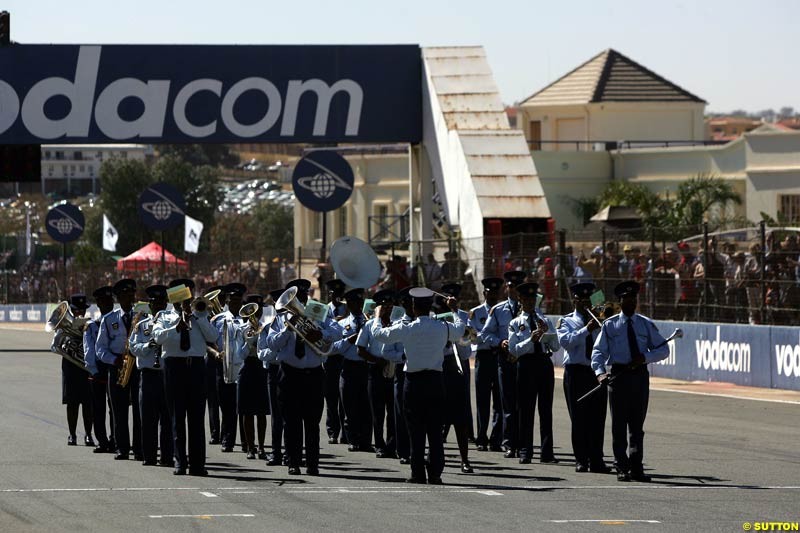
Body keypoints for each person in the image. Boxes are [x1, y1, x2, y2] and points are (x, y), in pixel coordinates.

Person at [370, 287, 464, 485]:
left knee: (416, 431)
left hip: (413, 383)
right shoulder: (442, 327)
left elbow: (379, 335)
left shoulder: (408, 328)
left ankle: (418, 473)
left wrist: (378, 316)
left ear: (413, 306)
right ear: (430, 305)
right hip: (435, 382)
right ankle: (436, 473)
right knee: (435, 432)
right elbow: (460, 330)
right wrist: (455, 310)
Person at [591, 281, 670, 482]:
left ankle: (636, 467)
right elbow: (598, 352)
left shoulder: (645, 324)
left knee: (636, 426)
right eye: (627, 298)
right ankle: (621, 467)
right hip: (618, 377)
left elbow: (663, 349)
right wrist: (600, 373)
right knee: (619, 426)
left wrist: (644, 357)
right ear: (620, 301)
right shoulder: (610, 325)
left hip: (639, 377)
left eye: (634, 298)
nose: (631, 301)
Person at [266, 278, 339, 475]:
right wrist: (287, 330)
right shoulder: (280, 318)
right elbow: (271, 343)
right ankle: (293, 462)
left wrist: (319, 333)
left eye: (303, 295)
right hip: (290, 375)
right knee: (291, 421)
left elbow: (337, 331)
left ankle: (313, 464)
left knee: (312, 422)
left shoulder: (319, 312)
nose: (300, 299)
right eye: (297, 296)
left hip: (313, 374)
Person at [152, 278, 219, 476]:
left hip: (197, 367)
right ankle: (180, 462)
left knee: (197, 419)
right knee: (177, 417)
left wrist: (196, 317)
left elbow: (213, 337)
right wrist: (176, 327)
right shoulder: (164, 316)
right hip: (174, 367)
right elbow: (157, 337)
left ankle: (198, 464)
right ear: (172, 296)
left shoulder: (200, 313)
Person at [556, 282, 610, 473]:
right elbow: (567, 342)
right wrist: (586, 329)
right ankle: (581, 459)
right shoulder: (566, 321)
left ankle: (597, 459)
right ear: (575, 301)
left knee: (598, 417)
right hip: (576, 372)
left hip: (595, 372)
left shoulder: (600, 320)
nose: (586, 304)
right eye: (582, 300)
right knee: (579, 418)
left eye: (589, 300)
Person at [507, 282, 559, 464]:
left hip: (544, 363)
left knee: (546, 410)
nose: (530, 303)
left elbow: (556, 345)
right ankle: (525, 451)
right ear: (520, 299)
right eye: (526, 299)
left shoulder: (543, 319)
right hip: (526, 365)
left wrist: (547, 333)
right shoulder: (515, 323)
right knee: (525, 410)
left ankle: (547, 452)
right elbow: (513, 350)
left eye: (532, 299)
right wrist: (531, 339)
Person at [479, 270, 526, 458]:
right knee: (506, 404)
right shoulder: (498, 310)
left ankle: (523, 442)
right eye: (511, 286)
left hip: (524, 361)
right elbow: (485, 333)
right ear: (507, 288)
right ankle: (508, 443)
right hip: (505, 359)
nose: (513, 290)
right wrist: (500, 342)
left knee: (523, 404)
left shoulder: (531, 309)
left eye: (517, 287)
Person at [95, 278, 142, 461]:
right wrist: (114, 360)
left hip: (137, 365)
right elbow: (100, 348)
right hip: (117, 367)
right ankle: (122, 448)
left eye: (132, 293)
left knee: (139, 411)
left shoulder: (142, 315)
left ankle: (139, 448)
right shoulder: (109, 319)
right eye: (126, 294)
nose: (130, 297)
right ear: (119, 297)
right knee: (119, 410)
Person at [129, 285, 173, 467]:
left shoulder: (173, 322)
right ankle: (148, 455)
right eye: (154, 303)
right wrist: (148, 346)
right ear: (150, 305)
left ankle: (167, 456)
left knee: (168, 418)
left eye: (161, 302)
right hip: (148, 376)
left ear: (166, 303)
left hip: (167, 374)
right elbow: (133, 347)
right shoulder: (142, 326)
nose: (158, 306)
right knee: (147, 418)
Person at [357, 289, 402, 459]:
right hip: (375, 370)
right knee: (377, 412)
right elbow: (360, 349)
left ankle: (392, 445)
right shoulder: (369, 325)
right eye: (385, 306)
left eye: (391, 305)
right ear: (378, 308)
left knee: (393, 410)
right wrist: (376, 361)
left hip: (394, 369)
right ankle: (379, 445)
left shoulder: (398, 324)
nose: (388, 309)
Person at [330, 288, 373, 453]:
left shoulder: (370, 322)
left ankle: (366, 441)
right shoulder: (341, 323)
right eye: (352, 303)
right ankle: (352, 439)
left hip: (365, 366)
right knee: (349, 406)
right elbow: (333, 348)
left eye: (359, 302)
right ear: (348, 304)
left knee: (366, 406)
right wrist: (349, 340)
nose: (356, 305)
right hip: (349, 366)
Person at [438, 283, 474, 473]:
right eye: (446, 297)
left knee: (460, 416)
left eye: (452, 298)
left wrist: (455, 315)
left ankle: (465, 460)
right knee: (436, 415)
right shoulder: (433, 317)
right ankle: (435, 455)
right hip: (439, 367)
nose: (449, 300)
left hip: (456, 366)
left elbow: (466, 349)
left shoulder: (461, 317)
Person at [52, 294, 93, 447]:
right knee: (72, 402)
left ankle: (89, 435)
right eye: (76, 310)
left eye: (82, 310)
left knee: (88, 403)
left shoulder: (90, 324)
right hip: (70, 366)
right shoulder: (63, 327)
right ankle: (72, 434)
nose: (79, 313)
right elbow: (55, 346)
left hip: (86, 367)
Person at [469, 277, 504, 453]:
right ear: (484, 293)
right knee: (482, 400)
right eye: (490, 292)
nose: (493, 295)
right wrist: (489, 338)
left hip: (499, 356)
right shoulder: (475, 313)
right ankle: (481, 437)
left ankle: (496, 439)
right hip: (483, 357)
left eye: (496, 292)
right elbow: (471, 337)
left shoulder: (504, 311)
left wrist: (485, 335)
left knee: (500, 400)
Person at [237, 294, 270, 460]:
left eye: (258, 309)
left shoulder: (267, 327)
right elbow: (240, 355)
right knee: (247, 411)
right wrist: (249, 342)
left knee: (262, 412)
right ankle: (250, 447)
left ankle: (262, 447)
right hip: (248, 367)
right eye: (251, 310)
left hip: (261, 368)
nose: (255, 313)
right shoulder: (242, 329)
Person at [84, 287, 115, 453]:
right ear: (98, 304)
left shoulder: (118, 322)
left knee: (115, 408)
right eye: (104, 302)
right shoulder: (92, 326)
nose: (108, 304)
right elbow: (89, 351)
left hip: (114, 369)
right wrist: (93, 371)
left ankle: (115, 439)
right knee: (98, 408)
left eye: (110, 301)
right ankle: (102, 440)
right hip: (98, 371)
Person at [260, 288, 287, 466]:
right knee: (276, 415)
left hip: (290, 369)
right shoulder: (267, 322)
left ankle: (291, 452)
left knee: (291, 415)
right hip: (274, 370)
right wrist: (278, 352)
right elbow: (262, 352)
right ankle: (276, 452)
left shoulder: (292, 321)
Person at [323, 279, 348, 444]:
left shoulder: (348, 310)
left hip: (344, 355)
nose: (336, 296)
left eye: (339, 294)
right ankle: (332, 430)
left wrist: (344, 321)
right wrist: (335, 325)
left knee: (344, 398)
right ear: (329, 294)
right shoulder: (322, 310)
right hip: (329, 356)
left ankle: (346, 432)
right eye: (333, 293)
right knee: (331, 396)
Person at [204, 285, 224, 446]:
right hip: (211, 361)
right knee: (213, 400)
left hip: (227, 360)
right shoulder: (207, 318)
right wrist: (215, 352)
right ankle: (215, 432)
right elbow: (205, 342)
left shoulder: (228, 317)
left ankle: (225, 433)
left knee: (226, 400)